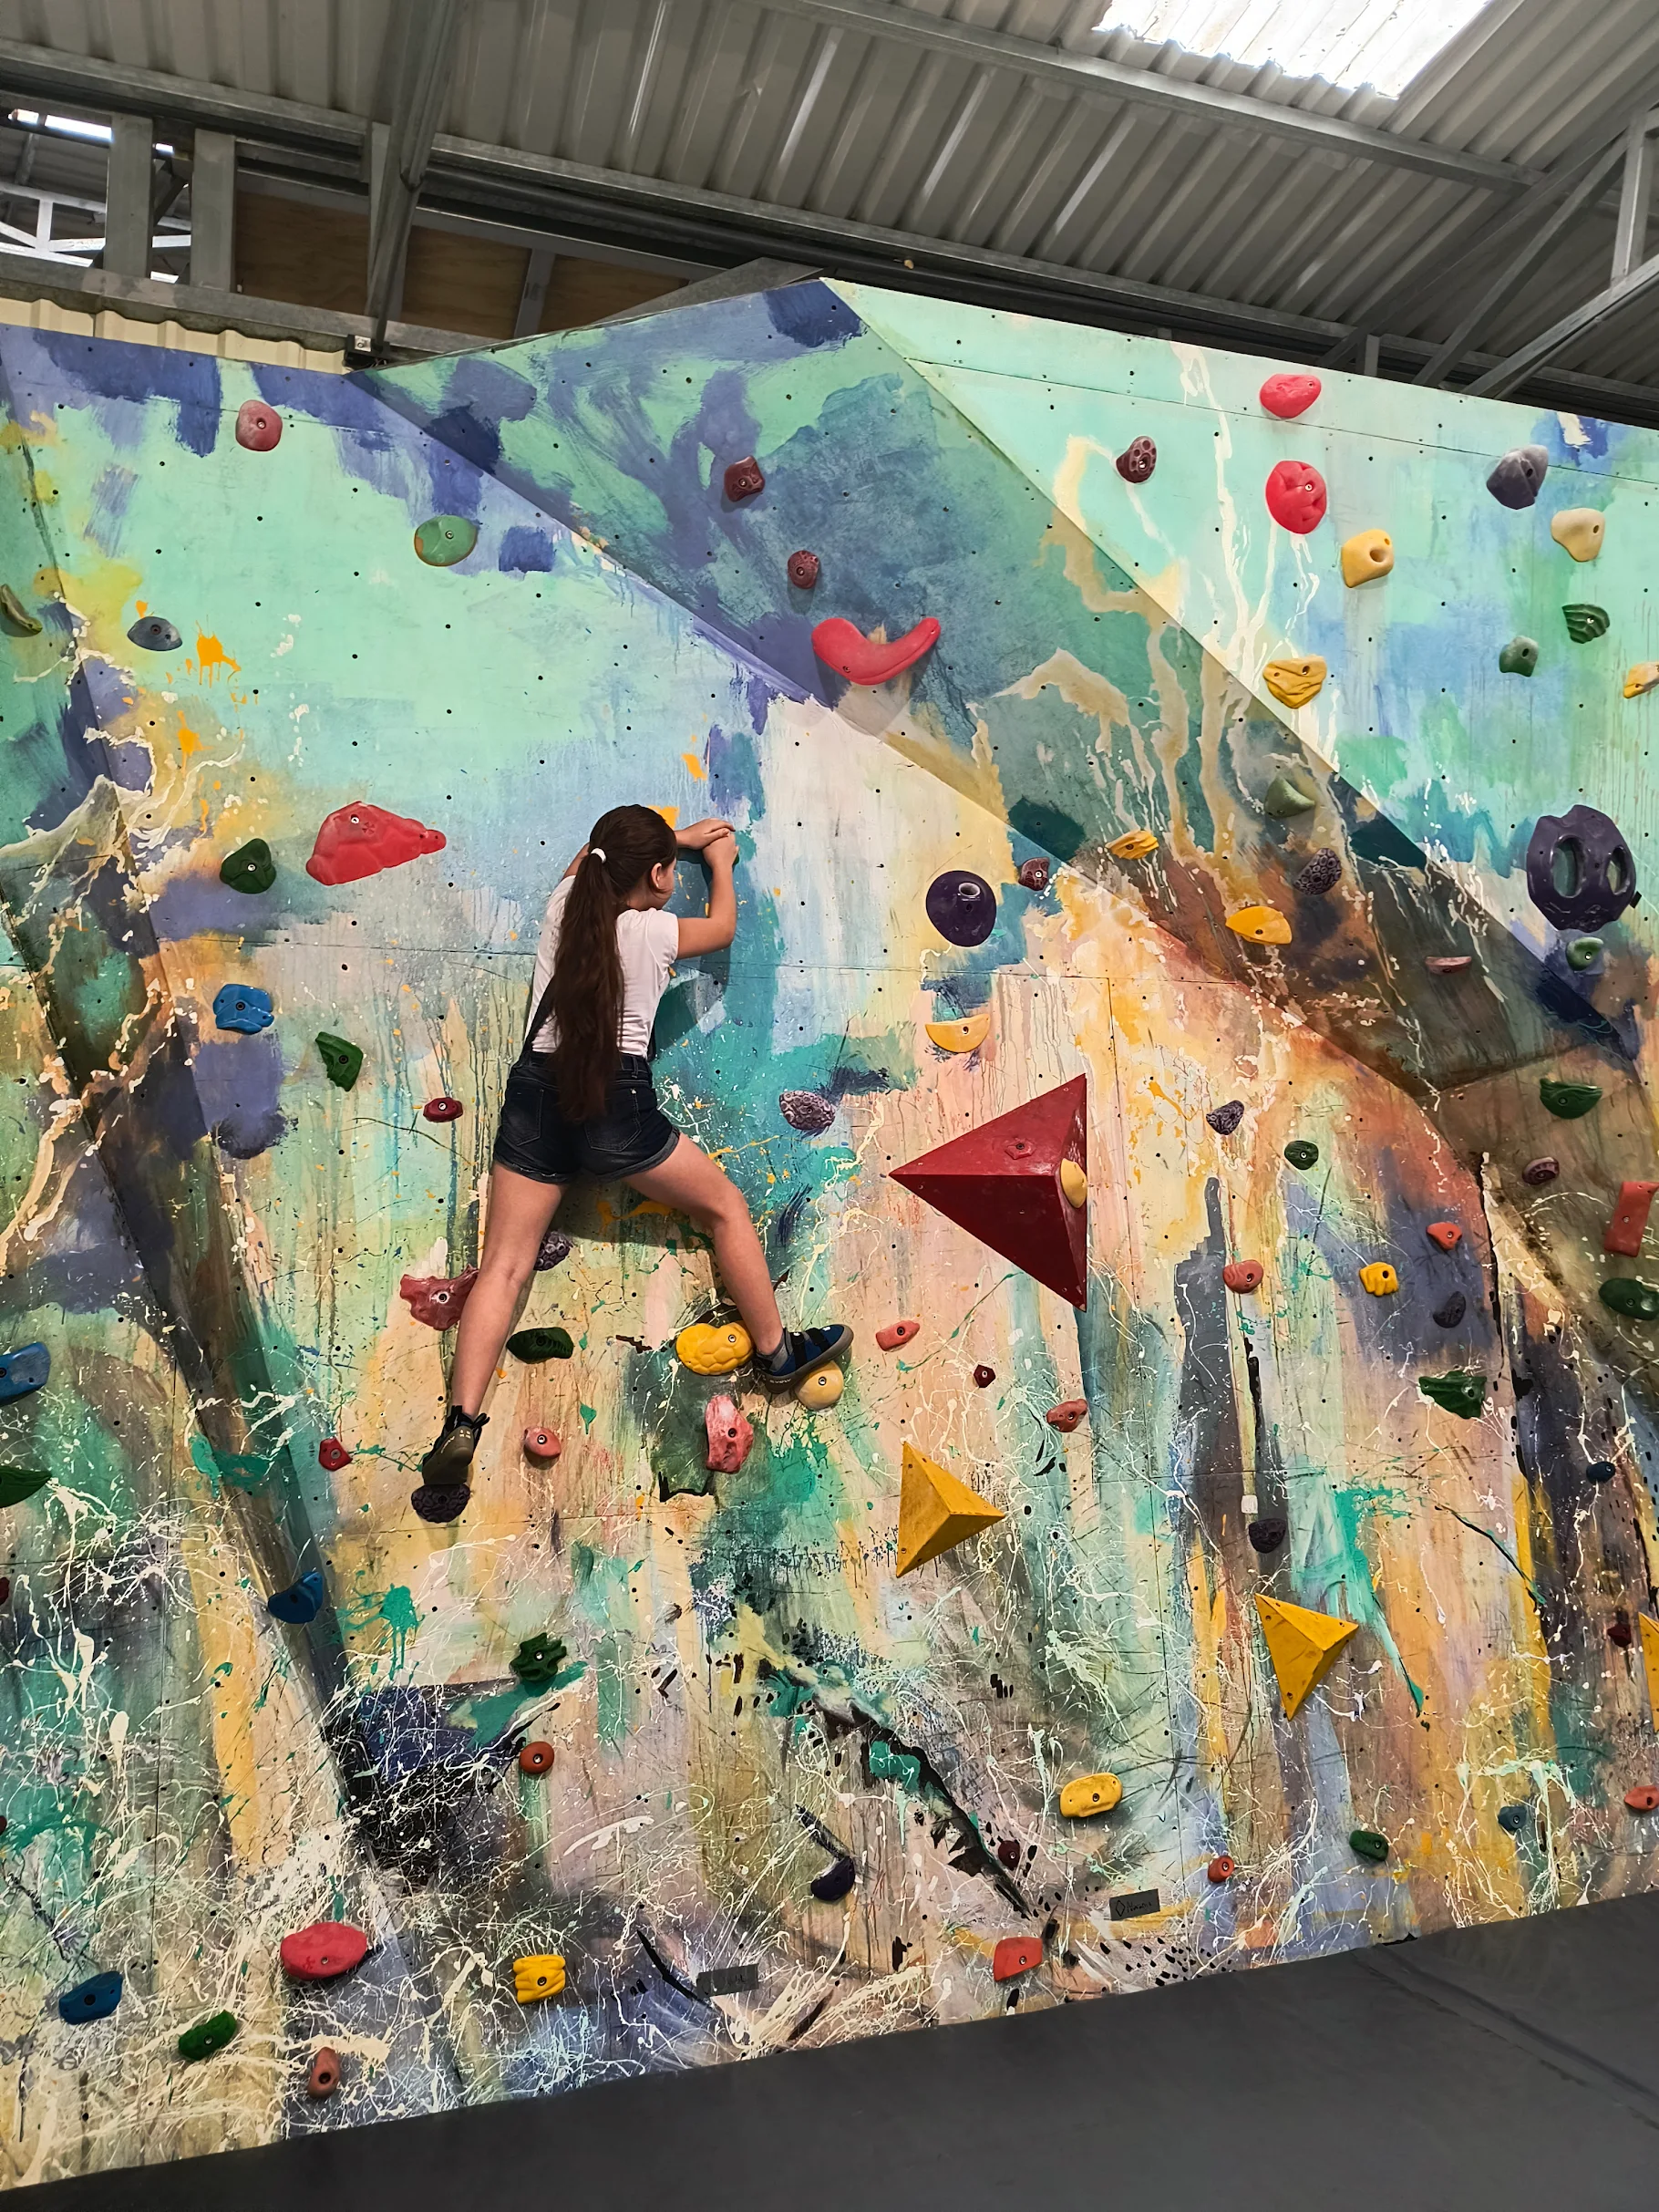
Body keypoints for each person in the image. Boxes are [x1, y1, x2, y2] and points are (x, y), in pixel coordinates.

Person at [413, 802, 851, 1520]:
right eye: (665, 870)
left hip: (538, 1094)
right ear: (653, 874)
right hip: (614, 1105)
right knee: (723, 1208)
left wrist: (666, 841)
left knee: (505, 1267)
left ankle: (460, 1424)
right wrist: (714, 860)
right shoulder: (654, 932)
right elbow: (724, 927)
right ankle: (776, 1354)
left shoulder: (565, 904)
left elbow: (590, 856)